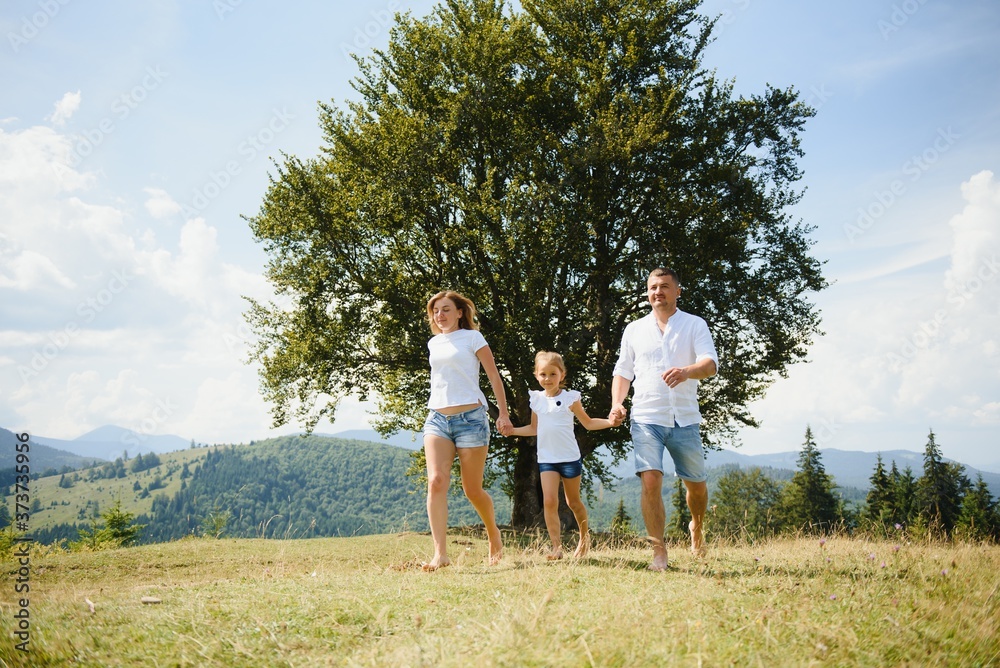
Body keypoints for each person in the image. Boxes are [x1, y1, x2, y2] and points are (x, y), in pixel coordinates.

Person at [609, 267, 718, 571]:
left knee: (696, 487)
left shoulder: (694, 325)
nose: (659, 292)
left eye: (665, 287)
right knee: (651, 480)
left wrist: (686, 372)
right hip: (646, 417)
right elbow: (622, 371)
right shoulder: (634, 329)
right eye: (653, 287)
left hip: (685, 419)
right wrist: (617, 403)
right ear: (648, 293)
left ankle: (696, 526)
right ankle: (659, 552)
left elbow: (710, 365)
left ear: (677, 291)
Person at [421, 290, 512, 571]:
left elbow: (494, 376)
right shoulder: (433, 343)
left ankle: (493, 534)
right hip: (437, 418)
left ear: (460, 312)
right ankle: (440, 554)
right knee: (436, 481)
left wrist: (504, 413)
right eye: (436, 310)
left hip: (471, 418)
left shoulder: (473, 338)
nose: (440, 315)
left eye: (446, 309)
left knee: (472, 490)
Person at [507, 351, 621, 560]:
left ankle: (584, 539)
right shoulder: (537, 400)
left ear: (562, 374)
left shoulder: (570, 399)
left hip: (569, 458)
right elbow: (534, 428)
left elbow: (587, 423)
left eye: (552, 374)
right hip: (547, 460)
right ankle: (556, 548)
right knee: (549, 501)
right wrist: (512, 430)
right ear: (536, 375)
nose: (548, 379)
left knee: (573, 502)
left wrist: (609, 422)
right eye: (543, 374)